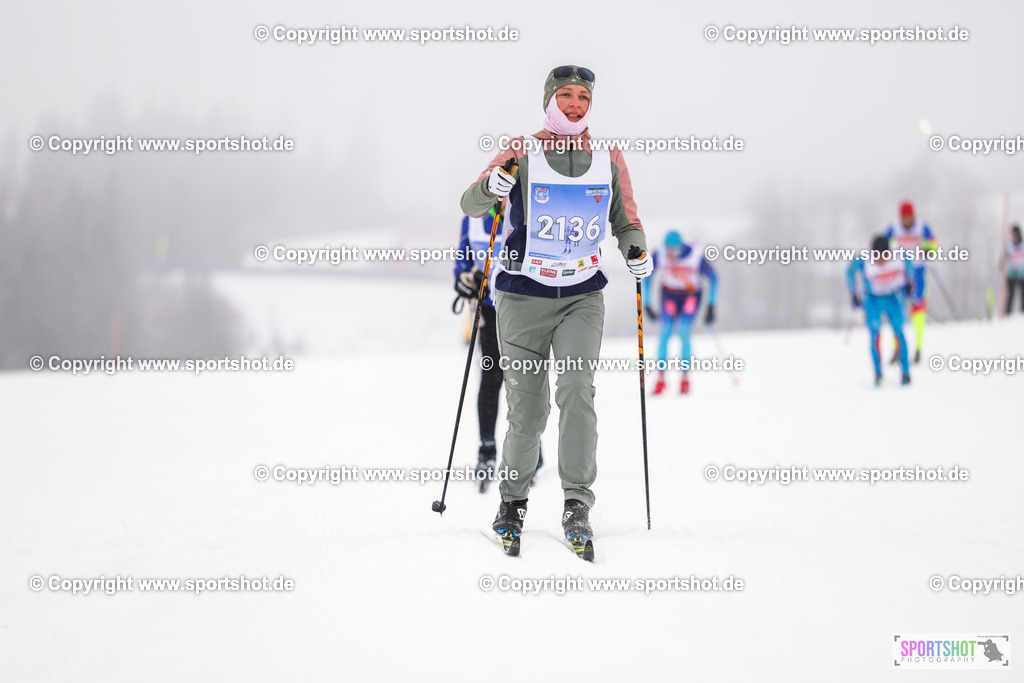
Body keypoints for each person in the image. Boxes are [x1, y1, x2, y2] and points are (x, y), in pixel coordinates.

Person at [459, 65, 650, 546]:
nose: (573, 104)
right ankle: (513, 502)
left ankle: (577, 506)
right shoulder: (521, 150)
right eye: (564, 95)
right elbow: (471, 204)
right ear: (549, 100)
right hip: (523, 297)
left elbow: (626, 221)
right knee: (528, 409)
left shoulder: (608, 156)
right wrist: (491, 188)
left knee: (577, 391)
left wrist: (637, 250)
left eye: (582, 97)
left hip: (582, 297)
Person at [452, 206, 543, 492]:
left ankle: (531, 450)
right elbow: (463, 259)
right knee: (491, 376)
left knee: (524, 379)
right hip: (489, 309)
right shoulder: (474, 219)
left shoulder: (525, 212)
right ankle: (487, 450)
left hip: (522, 308)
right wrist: (464, 279)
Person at [642, 230, 718, 395]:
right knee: (665, 333)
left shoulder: (695, 254)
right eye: (668, 249)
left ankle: (684, 379)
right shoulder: (660, 253)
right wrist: (646, 303)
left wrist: (711, 306)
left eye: (673, 250)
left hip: (690, 296)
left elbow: (713, 278)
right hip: (669, 295)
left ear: (680, 247)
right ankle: (661, 379)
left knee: (684, 332)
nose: (670, 254)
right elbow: (647, 277)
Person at [847, 235, 914, 386]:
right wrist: (853, 293)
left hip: (893, 298)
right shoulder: (864, 260)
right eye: (877, 255)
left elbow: (911, 266)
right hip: (872, 300)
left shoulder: (899, 257)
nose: (881, 259)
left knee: (899, 332)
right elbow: (849, 271)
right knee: (874, 333)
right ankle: (878, 373)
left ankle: (905, 372)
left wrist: (909, 284)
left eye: (884, 255)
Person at [884, 201, 937, 364]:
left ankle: (918, 348)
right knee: (897, 312)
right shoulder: (894, 228)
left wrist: (929, 250)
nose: (906, 220)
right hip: (900, 275)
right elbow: (882, 247)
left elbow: (934, 245)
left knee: (918, 312)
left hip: (918, 273)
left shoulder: (922, 227)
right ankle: (897, 349)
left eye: (908, 216)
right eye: (903, 217)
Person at [1001, 224, 1024, 315]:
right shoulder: (1009, 244)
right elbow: (1005, 256)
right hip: (1011, 273)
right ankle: (1008, 313)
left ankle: (1022, 312)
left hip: (1022, 273)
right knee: (1011, 294)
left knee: (1022, 294)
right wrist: (1001, 264)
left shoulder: (1022, 244)